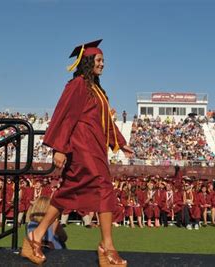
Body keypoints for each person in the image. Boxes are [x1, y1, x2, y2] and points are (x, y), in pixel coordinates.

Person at [20, 39, 133, 266]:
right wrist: (60, 148)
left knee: (69, 191)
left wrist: (119, 142)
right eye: (99, 60)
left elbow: (103, 122)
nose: (103, 64)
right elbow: (65, 115)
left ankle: (36, 236)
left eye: (103, 60)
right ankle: (107, 247)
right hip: (81, 147)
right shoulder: (78, 85)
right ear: (88, 61)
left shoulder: (97, 90)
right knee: (103, 187)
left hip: (95, 147)